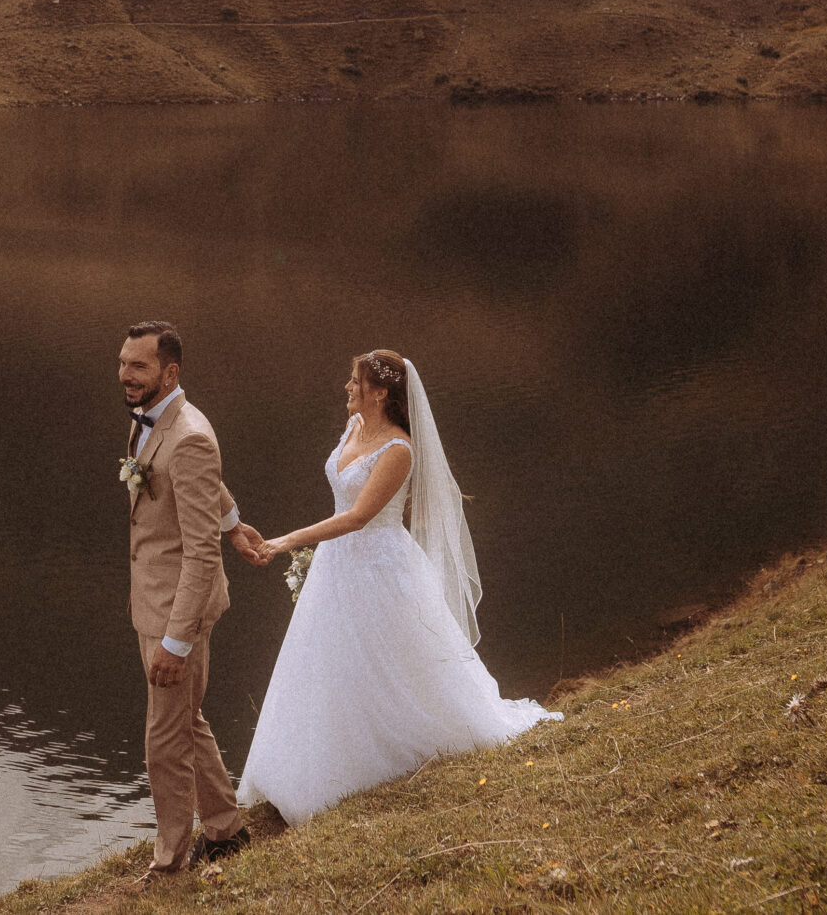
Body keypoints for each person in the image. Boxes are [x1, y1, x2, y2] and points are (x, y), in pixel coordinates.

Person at [236, 349, 556, 825]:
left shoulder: (399, 450)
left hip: (381, 565)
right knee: (327, 659)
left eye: (355, 382)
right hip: (336, 565)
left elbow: (360, 516)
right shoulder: (354, 429)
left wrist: (286, 541)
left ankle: (378, 757)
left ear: (381, 392)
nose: (348, 388)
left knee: (384, 661)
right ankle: (312, 763)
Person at [116, 320, 269, 876]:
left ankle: (170, 863)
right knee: (185, 721)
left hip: (179, 611)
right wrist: (235, 524)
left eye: (138, 366)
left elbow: (201, 556)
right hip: (152, 598)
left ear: (169, 372)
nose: (125, 375)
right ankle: (226, 830)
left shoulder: (191, 435)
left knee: (164, 742)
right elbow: (205, 492)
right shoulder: (155, 419)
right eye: (123, 363)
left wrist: (177, 644)